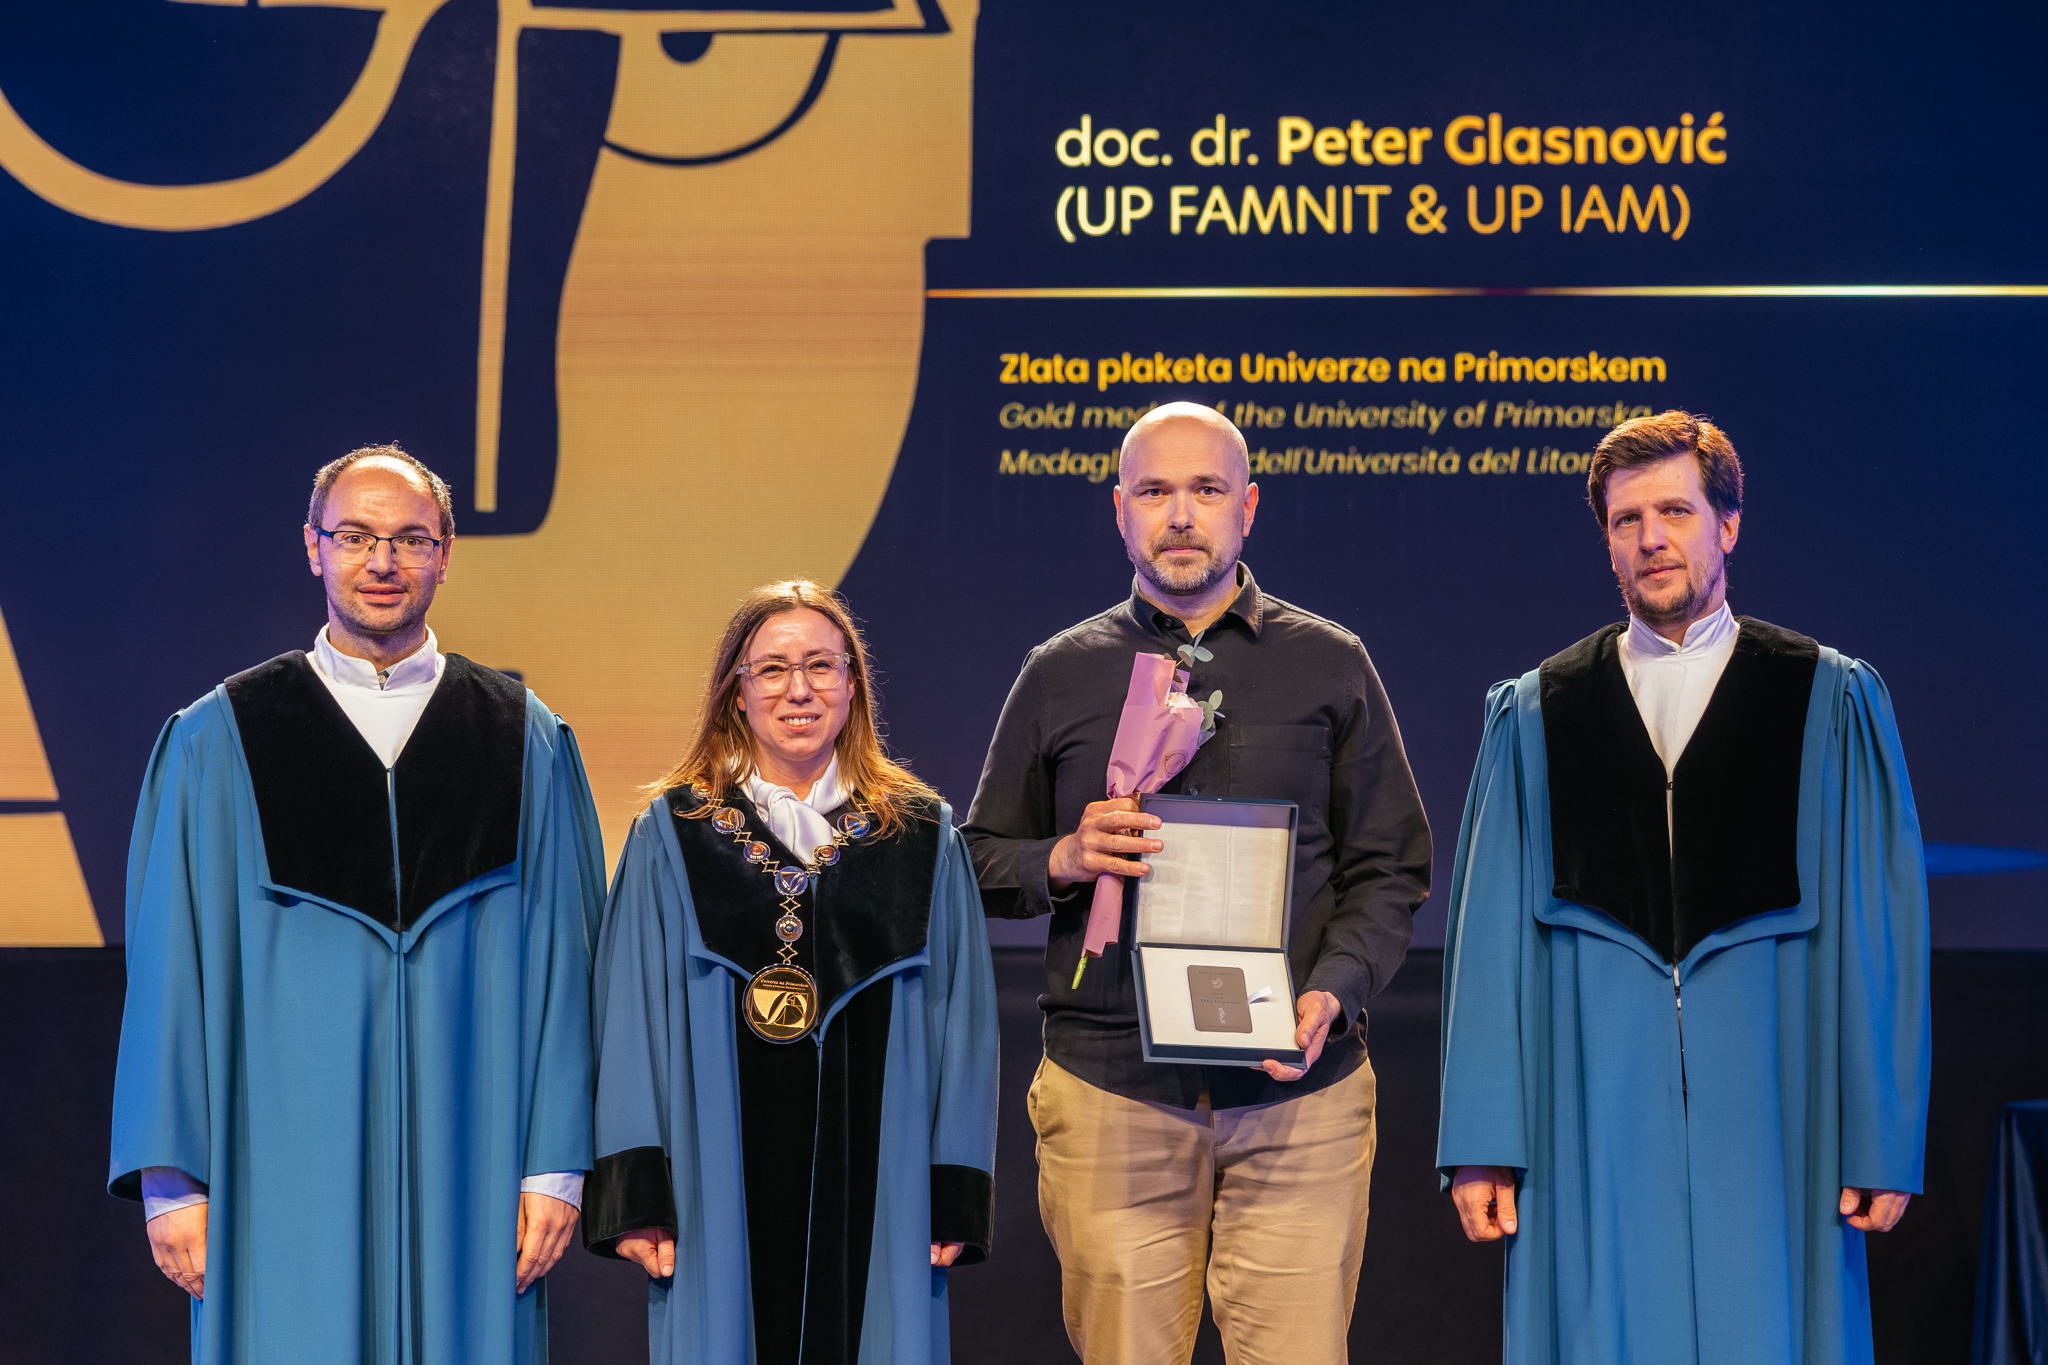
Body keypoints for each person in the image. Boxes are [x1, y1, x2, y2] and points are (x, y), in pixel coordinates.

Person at [1436, 411, 1930, 1365]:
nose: (1650, 537)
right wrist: (1483, 1140)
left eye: (1675, 511)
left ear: (1727, 524)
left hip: (1775, 1085)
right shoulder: (1539, 712)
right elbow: (1489, 942)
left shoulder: (1825, 699)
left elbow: (1878, 931)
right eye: (1626, 520)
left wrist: (1881, 1135)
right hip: (1595, 1088)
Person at [109, 445, 606, 1364]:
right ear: (313, 547)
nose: (383, 561)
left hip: (473, 1155)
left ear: (445, 554)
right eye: (355, 536)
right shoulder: (220, 738)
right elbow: (169, 968)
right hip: (277, 1165)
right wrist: (171, 1178)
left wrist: (556, 1162)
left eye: (411, 538)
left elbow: (567, 968)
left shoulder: (524, 739)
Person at [962, 402, 1432, 1363]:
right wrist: (1065, 856)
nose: (1181, 514)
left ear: (1247, 506)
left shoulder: (1331, 663)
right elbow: (975, 862)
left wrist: (1333, 991)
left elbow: (1392, 865)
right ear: (1120, 511)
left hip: (1299, 1095)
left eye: (1207, 489)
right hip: (1114, 1090)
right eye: (1155, 491)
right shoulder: (1059, 672)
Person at [582, 580, 998, 1365]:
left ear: (853, 685)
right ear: (735, 692)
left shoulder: (921, 836)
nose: (798, 689)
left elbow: (963, 1023)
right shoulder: (674, 834)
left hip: (885, 1186)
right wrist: (636, 1192)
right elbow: (630, 1020)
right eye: (771, 669)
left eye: (820, 665)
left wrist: (954, 1190)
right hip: (713, 1186)